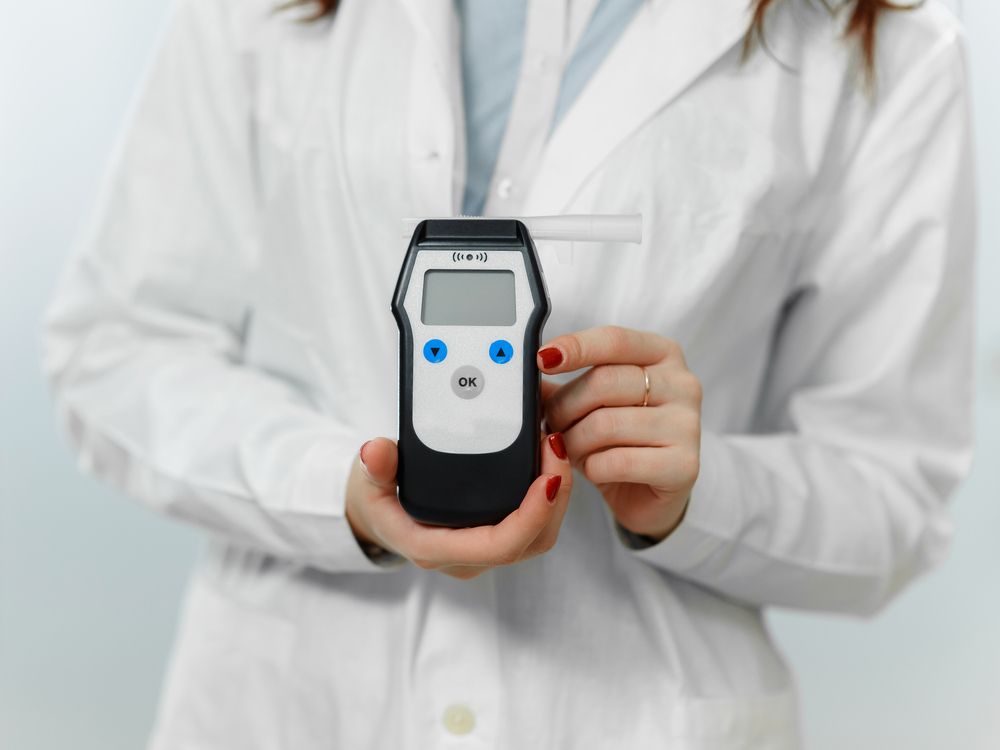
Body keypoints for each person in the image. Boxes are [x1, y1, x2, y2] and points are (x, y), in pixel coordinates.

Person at [43, 0, 975, 746]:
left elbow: (894, 491)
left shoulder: (888, 39)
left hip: (636, 711)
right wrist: (338, 486)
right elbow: (118, 345)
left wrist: (701, 491)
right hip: (290, 703)